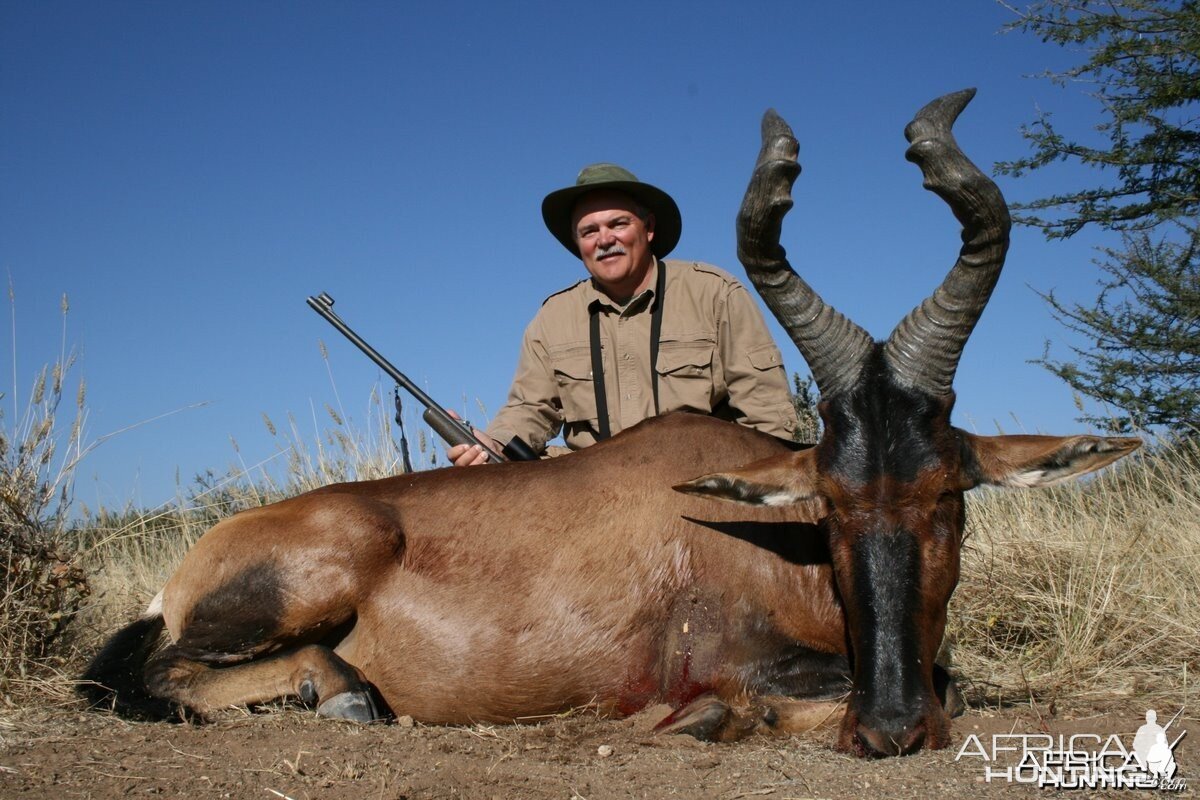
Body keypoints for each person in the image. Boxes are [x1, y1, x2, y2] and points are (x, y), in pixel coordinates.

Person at [449, 163, 798, 467]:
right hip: (593, 496)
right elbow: (529, 408)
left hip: (699, 486)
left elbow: (766, 417)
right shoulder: (552, 318)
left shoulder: (716, 294)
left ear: (647, 228)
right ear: (578, 244)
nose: (604, 239)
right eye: (589, 231)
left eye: (618, 223)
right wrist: (492, 444)